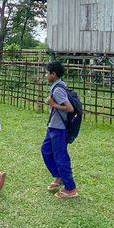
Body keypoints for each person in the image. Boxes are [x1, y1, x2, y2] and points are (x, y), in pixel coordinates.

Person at [41, 61, 78, 199]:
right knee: (45, 151)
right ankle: (59, 177)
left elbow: (70, 108)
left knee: (61, 158)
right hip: (53, 126)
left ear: (53, 74)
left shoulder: (58, 89)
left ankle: (71, 188)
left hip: (59, 129)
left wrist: (53, 104)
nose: (45, 75)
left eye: (47, 72)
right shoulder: (57, 86)